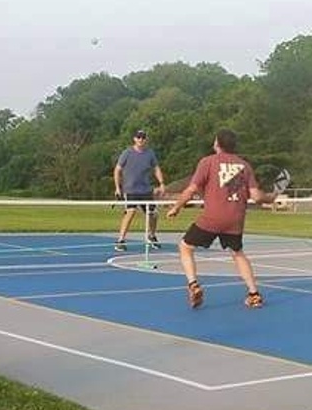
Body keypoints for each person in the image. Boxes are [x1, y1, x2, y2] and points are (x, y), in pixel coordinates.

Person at [166, 129, 278, 309]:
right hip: (235, 218)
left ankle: (193, 284)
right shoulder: (244, 165)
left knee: (185, 247)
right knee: (237, 253)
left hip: (212, 217)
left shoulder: (207, 162)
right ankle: (254, 294)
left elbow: (191, 189)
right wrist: (270, 198)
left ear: (217, 144)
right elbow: (257, 196)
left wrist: (176, 207)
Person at [113, 129, 167, 252]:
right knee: (130, 212)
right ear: (134, 139)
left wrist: (162, 183)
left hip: (146, 190)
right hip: (131, 189)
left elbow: (156, 168)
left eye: (143, 137)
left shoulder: (150, 153)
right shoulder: (127, 153)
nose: (141, 140)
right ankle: (120, 240)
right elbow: (117, 170)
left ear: (146, 139)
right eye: (138, 137)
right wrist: (117, 187)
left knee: (153, 214)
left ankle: (152, 236)